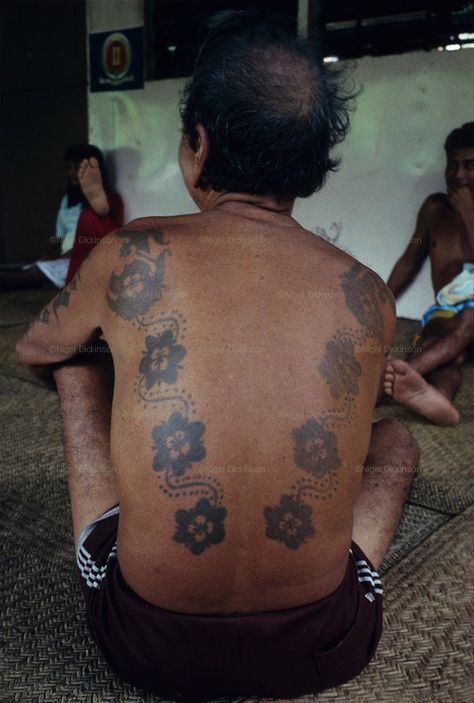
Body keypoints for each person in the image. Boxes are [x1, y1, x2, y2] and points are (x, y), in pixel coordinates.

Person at [16, 12, 419, 699]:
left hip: (142, 641)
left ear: (198, 144)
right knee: (397, 442)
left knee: (78, 374)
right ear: (314, 164)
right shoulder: (368, 292)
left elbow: (33, 351)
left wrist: (128, 366)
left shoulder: (131, 252)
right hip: (326, 643)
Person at [384, 122, 474, 426]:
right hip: (447, 312)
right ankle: (439, 403)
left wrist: (469, 215)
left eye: (469, 165)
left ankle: (384, 384)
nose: (458, 175)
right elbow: (410, 258)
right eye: (452, 165)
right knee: (438, 349)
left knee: (469, 318)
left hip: (471, 316)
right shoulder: (435, 208)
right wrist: (381, 304)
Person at [0, 144, 123, 290]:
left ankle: (99, 211)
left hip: (84, 257)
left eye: (77, 167)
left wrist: (67, 256)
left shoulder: (111, 200)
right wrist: (48, 254)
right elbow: (59, 236)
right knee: (27, 269)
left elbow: (104, 239)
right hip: (64, 257)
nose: (71, 172)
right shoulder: (67, 201)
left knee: (32, 274)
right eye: (69, 167)